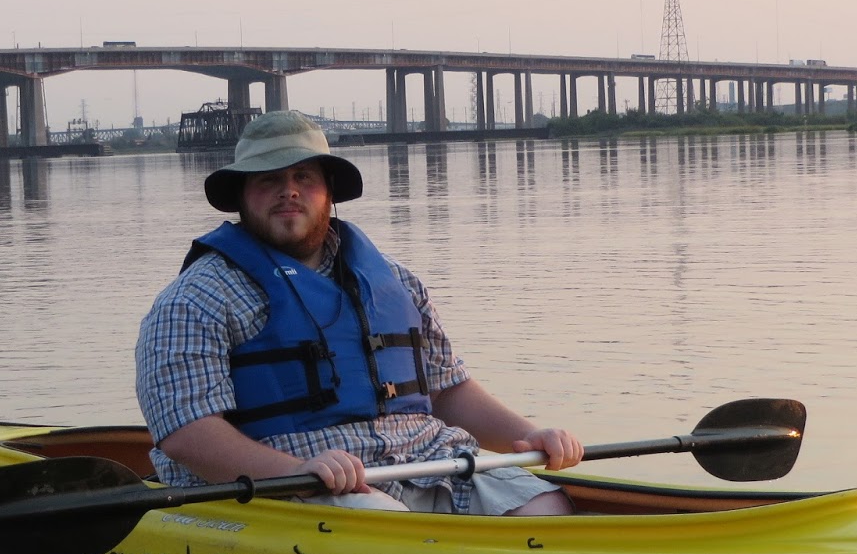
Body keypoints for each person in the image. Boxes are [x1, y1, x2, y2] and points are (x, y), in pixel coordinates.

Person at [135, 110, 583, 515]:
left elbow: (448, 390)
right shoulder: (194, 299)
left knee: (546, 506)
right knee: (386, 525)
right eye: (267, 179)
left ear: (329, 192)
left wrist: (531, 436)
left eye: (303, 176)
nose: (288, 190)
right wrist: (297, 471)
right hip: (295, 481)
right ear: (242, 196)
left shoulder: (398, 281)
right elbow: (187, 434)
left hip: (426, 458)